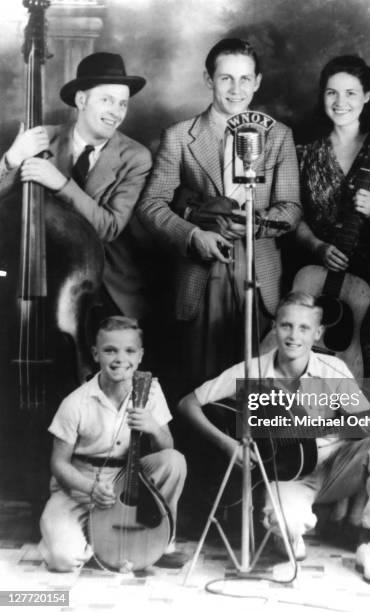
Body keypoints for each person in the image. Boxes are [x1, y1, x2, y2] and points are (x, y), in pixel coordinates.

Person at [178, 291, 370, 585]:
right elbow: (187, 404)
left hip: (336, 467)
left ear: (318, 333)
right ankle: (288, 533)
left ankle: (369, 545)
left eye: (303, 328)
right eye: (286, 325)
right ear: (275, 326)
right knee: (286, 525)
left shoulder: (333, 369)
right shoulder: (252, 370)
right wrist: (229, 445)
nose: (293, 335)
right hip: (286, 475)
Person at [137, 38, 301, 393]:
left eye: (245, 79)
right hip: (202, 271)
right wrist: (194, 236)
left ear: (257, 81)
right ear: (209, 80)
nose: (236, 89)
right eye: (226, 78)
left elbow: (292, 209)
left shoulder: (278, 136)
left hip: (259, 273)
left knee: (258, 383)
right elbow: (151, 205)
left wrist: (256, 224)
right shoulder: (180, 137)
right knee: (203, 385)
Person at [0, 52, 152, 322]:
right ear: (82, 100)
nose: (116, 112)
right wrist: (11, 158)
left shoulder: (135, 157)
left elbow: (109, 227)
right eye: (106, 100)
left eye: (123, 104)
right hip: (37, 274)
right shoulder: (42, 138)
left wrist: (59, 183)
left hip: (103, 286)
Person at [38, 316, 187, 572]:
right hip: (82, 484)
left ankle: (162, 540)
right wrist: (90, 487)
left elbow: (167, 447)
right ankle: (89, 538)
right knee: (62, 559)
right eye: (110, 350)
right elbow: (58, 463)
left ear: (140, 355)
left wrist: (153, 426)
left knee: (174, 460)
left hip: (129, 477)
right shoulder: (76, 403)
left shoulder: (150, 390)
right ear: (96, 354)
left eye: (129, 351)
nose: (120, 359)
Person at [292, 55, 370, 383]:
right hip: (319, 278)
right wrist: (316, 245)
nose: (341, 102)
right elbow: (291, 213)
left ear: (367, 96)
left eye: (351, 93)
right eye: (331, 93)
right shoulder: (304, 153)